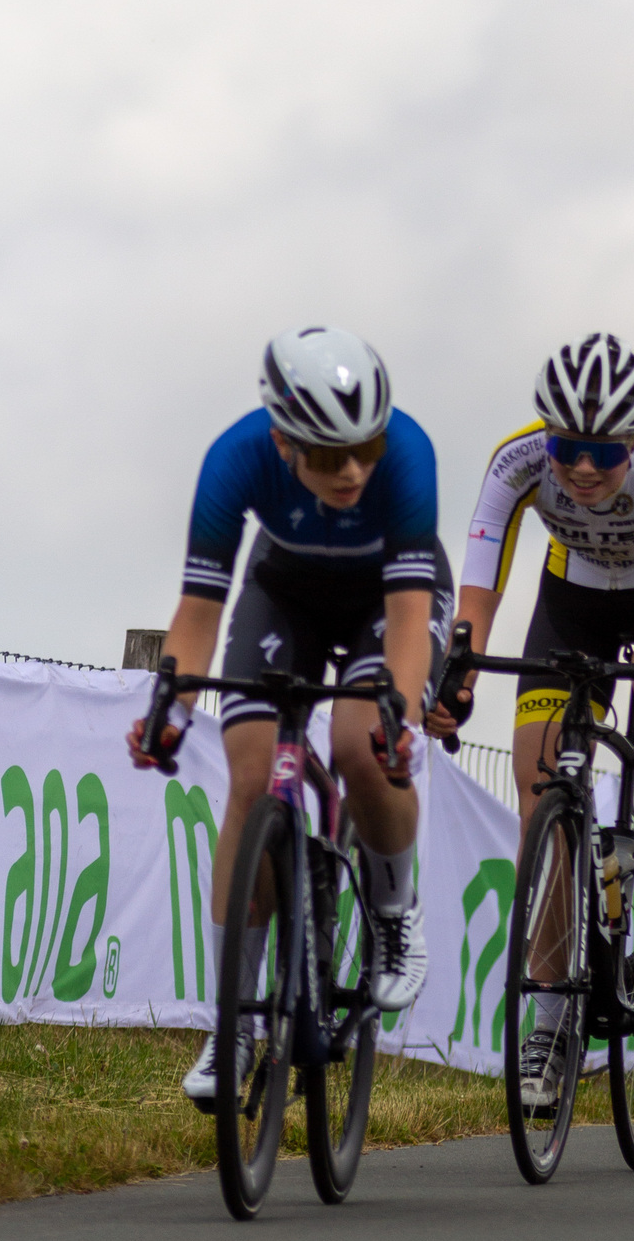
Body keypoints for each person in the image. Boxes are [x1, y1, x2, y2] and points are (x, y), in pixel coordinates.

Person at [128, 325, 451, 1103]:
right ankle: (232, 1027)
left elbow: (409, 617)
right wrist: (170, 706)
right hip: (287, 593)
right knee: (247, 777)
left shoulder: (407, 454)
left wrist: (398, 718)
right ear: (282, 441)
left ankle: (395, 913)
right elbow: (200, 610)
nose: (352, 471)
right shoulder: (234, 458)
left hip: (385, 600)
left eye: (364, 449)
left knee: (358, 743)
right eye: (328, 455)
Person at [425, 330, 634, 1104]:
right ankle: (552, 1020)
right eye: (567, 448)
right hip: (572, 603)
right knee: (542, 798)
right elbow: (478, 597)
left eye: (606, 453)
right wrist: (456, 678)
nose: (585, 468)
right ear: (545, 437)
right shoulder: (516, 464)